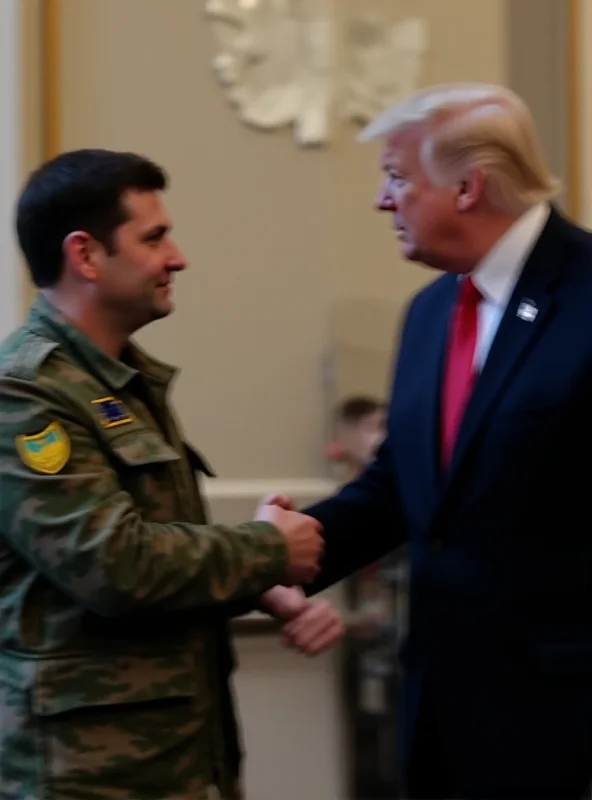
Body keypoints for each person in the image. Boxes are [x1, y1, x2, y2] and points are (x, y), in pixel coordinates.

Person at [274, 83, 592, 799]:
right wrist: (280, 551)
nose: (382, 201)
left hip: (566, 717)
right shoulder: (428, 312)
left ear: (467, 187)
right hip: (443, 705)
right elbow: (400, 488)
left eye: (396, 177)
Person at [0, 148, 343, 800]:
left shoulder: (117, 381)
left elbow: (157, 543)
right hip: (88, 775)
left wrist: (260, 586)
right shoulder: (26, 394)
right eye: (154, 237)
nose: (176, 258)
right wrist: (268, 548)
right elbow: (113, 565)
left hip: (174, 757)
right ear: (86, 255)